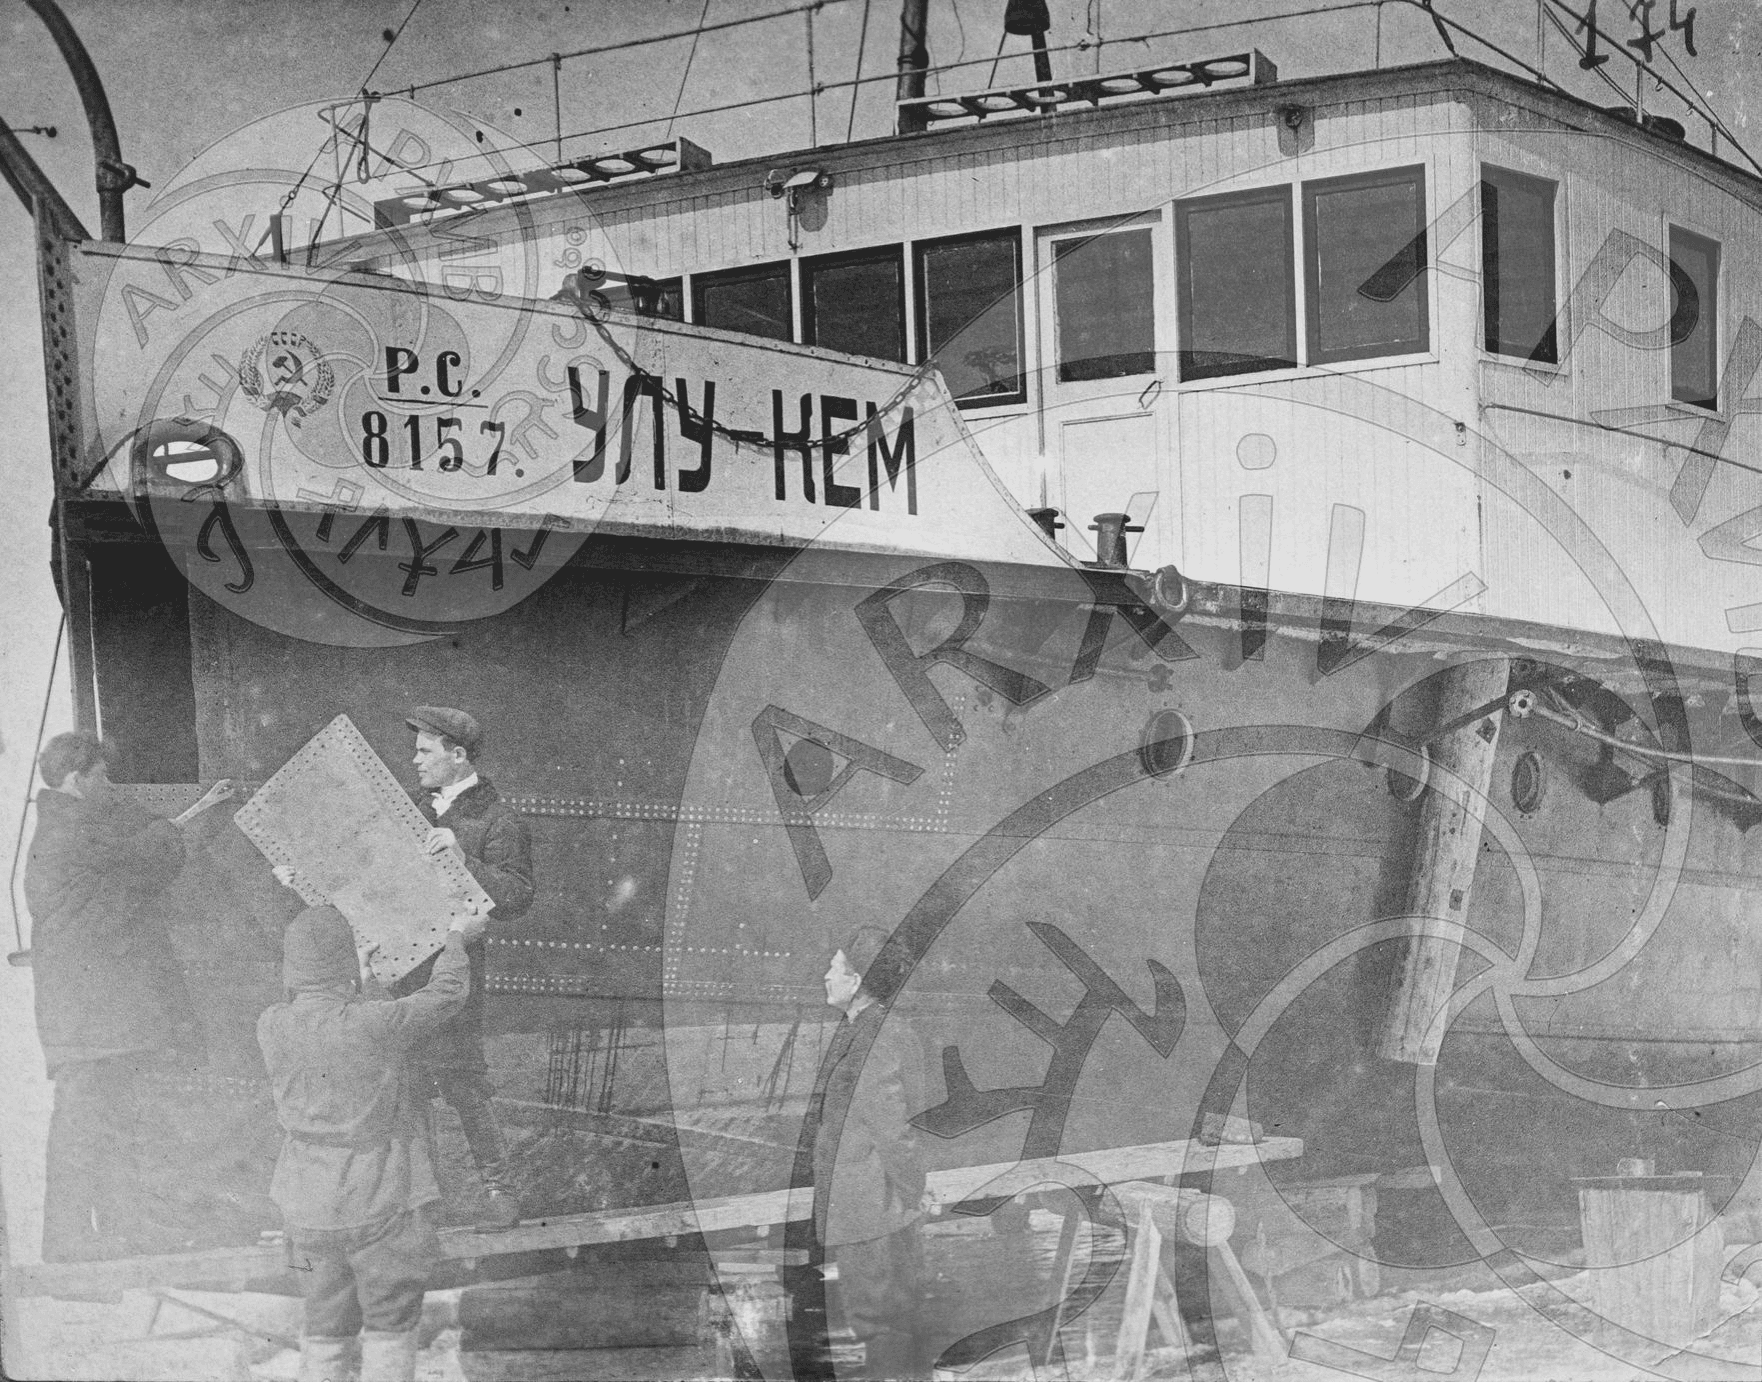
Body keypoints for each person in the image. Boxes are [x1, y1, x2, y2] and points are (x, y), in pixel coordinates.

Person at [22, 730, 234, 1261]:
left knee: (103, 1126)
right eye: (103, 775)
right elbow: (143, 855)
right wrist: (200, 811)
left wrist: (189, 814)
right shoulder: (71, 830)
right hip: (89, 1022)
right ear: (78, 777)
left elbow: (136, 856)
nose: (110, 785)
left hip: (87, 1020)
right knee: (84, 1130)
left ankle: (105, 1235)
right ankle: (70, 1244)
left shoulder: (65, 827)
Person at [258, 898, 486, 1382]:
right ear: (343, 970)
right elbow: (446, 995)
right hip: (380, 1197)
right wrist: (455, 937)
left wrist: (358, 980)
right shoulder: (372, 1024)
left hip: (307, 1207)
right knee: (390, 1324)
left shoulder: (271, 1025)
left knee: (324, 1323)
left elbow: (337, 1022)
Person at [394, 705, 534, 1230]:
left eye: (425, 751)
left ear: (458, 756)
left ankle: (500, 1194)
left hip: (456, 968)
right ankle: (421, 1202)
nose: (415, 760)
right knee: (409, 1082)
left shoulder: (497, 817)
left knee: (464, 1083)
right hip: (404, 967)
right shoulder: (412, 806)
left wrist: (461, 856)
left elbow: (518, 894)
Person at [814, 925, 931, 1380]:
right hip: (874, 1202)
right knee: (893, 1320)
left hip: (874, 1205)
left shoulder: (872, 1036)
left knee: (879, 1320)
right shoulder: (868, 1029)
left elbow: (893, 1129)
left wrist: (913, 1189)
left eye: (835, 967)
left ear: (857, 980)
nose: (826, 975)